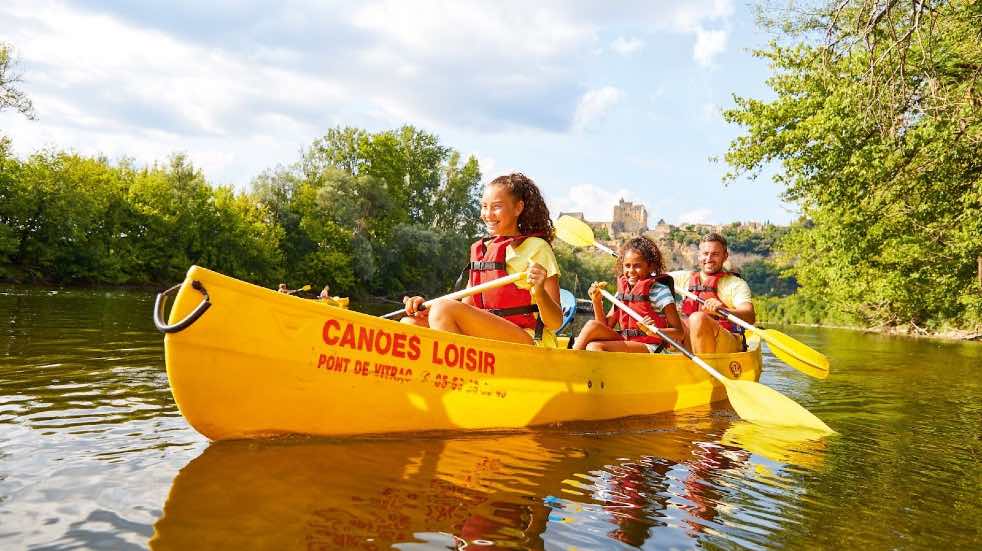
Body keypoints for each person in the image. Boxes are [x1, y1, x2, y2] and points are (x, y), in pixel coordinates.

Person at [402, 173, 563, 346]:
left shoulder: (537, 248)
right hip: (490, 336)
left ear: (518, 208)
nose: (487, 214)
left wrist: (539, 292)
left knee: (442, 309)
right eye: (484, 206)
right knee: (410, 324)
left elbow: (555, 322)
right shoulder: (484, 251)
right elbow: (465, 308)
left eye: (496, 207)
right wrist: (425, 310)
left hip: (528, 339)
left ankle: (460, 372)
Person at [573, 237, 684, 352]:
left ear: (651, 267)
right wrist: (596, 302)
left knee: (595, 346)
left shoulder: (660, 291)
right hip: (627, 341)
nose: (631, 271)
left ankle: (570, 361)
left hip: (652, 347)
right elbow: (605, 327)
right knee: (592, 326)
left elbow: (679, 333)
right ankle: (572, 358)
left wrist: (654, 331)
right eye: (627, 265)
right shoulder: (623, 292)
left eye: (637, 266)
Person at [669, 233, 755, 354]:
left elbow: (750, 317)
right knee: (670, 318)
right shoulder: (684, 278)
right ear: (699, 256)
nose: (709, 259)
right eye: (705, 254)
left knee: (698, 318)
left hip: (726, 341)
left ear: (725, 257)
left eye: (715, 254)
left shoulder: (736, 284)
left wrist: (723, 311)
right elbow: (651, 279)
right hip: (691, 342)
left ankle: (702, 367)